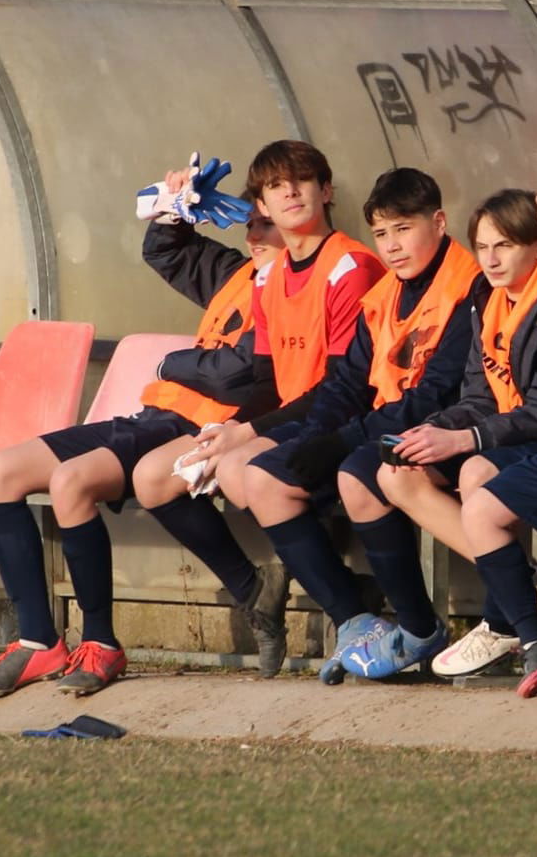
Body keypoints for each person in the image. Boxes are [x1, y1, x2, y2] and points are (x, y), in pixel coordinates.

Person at [0, 163, 280, 699]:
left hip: (197, 425)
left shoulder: (299, 288)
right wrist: (173, 212)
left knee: (71, 481)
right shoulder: (239, 275)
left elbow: (243, 375)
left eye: (268, 225)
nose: (255, 234)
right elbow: (168, 255)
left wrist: (173, 364)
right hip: (153, 416)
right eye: (251, 222)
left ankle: (103, 644)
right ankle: (39, 643)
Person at [141, 140, 386, 676]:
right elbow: (272, 380)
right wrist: (234, 429)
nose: (290, 192)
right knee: (201, 467)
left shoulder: (351, 266)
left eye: (302, 181)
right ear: (261, 206)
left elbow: (348, 387)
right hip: (298, 415)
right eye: (276, 187)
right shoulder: (271, 277)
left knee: (250, 472)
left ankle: (356, 614)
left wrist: (248, 434)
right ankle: (342, 604)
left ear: (326, 191)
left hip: (347, 419)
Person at [233, 168, 481, 685]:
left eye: (404, 229)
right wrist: (316, 436)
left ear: (438, 222)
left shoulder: (468, 287)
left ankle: (418, 628)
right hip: (385, 426)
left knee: (357, 474)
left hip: (447, 429)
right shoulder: (385, 294)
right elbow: (347, 381)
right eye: (381, 233)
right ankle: (355, 622)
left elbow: (435, 396)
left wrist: (341, 443)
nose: (391, 246)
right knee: (265, 479)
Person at [376, 189, 537, 687]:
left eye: (504, 246)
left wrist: (466, 438)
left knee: (475, 469)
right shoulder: (485, 297)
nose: (489, 259)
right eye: (483, 247)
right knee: (395, 472)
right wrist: (438, 429)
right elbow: (479, 393)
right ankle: (522, 584)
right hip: (502, 431)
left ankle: (516, 621)